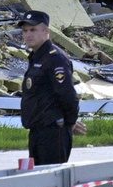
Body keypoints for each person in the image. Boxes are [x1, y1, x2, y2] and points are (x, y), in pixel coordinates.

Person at [17, 10, 81, 165]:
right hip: (37, 130)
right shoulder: (37, 57)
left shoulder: (55, 58)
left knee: (52, 183)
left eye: (33, 30)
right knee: (39, 183)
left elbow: (67, 94)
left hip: (53, 132)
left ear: (46, 31)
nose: (28, 35)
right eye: (25, 31)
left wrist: (70, 122)